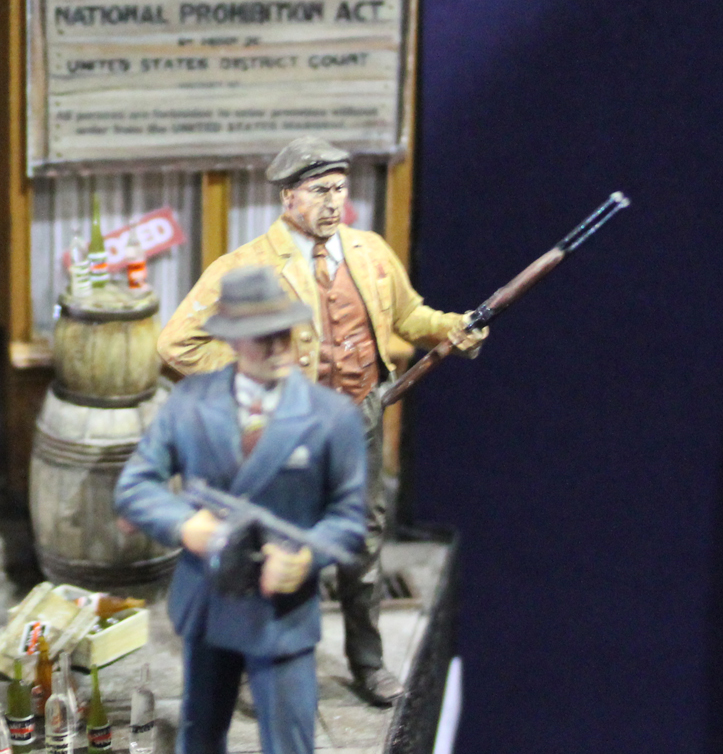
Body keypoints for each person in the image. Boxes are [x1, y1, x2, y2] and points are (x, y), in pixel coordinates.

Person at [157, 137, 484, 706]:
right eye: (318, 191)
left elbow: (409, 315)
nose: (333, 202)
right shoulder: (246, 268)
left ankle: (368, 663)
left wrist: (450, 326)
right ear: (288, 197)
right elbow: (176, 344)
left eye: (338, 189)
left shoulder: (369, 252)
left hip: (358, 419)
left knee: (362, 546)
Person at [115, 266, 368, 754]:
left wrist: (308, 555)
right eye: (262, 335)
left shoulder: (332, 416)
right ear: (232, 339)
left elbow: (351, 519)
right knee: (200, 734)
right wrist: (186, 525)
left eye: (285, 331)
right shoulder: (191, 402)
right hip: (209, 597)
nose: (279, 345)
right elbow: (135, 486)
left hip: (282, 613)